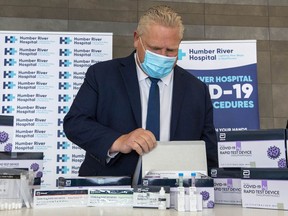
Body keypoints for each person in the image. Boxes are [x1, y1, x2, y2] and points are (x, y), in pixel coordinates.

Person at [63, 5, 218, 178]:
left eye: (171, 50)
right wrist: (119, 141)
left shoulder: (197, 90)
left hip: (175, 195)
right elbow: (75, 124)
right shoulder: (102, 75)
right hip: (110, 192)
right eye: (155, 48)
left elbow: (208, 155)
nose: (163, 56)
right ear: (137, 39)